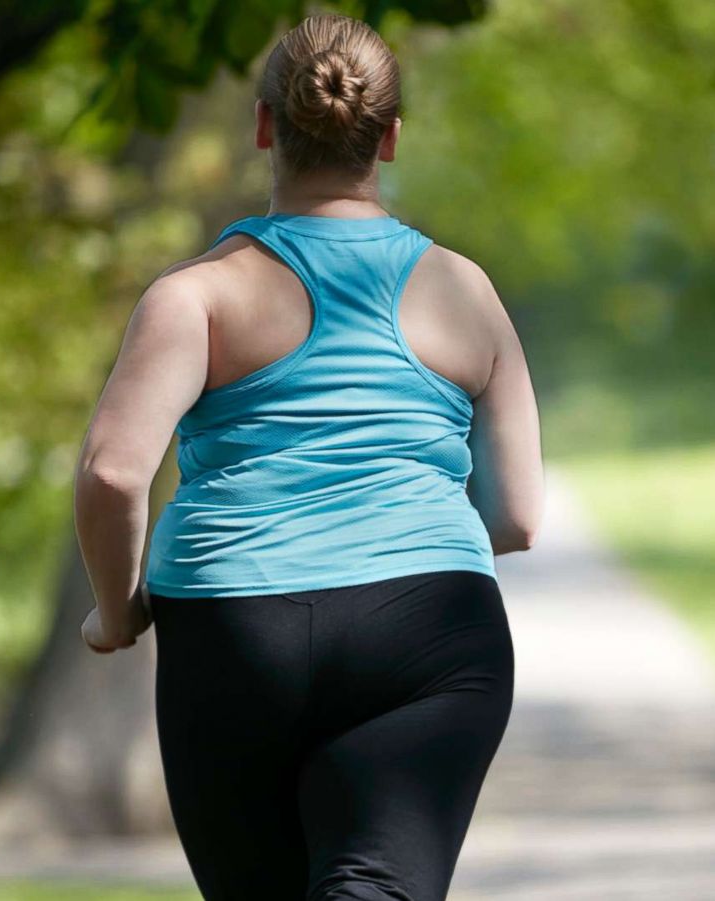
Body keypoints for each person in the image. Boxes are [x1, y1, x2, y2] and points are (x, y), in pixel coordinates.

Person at [71, 12, 544, 900]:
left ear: (263, 127)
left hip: (238, 629)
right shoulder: (463, 290)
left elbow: (112, 473)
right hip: (430, 631)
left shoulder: (198, 297)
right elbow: (517, 515)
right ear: (390, 139)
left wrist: (116, 612)